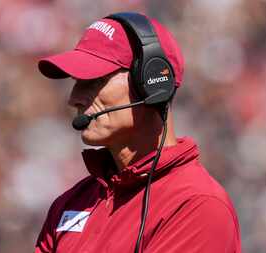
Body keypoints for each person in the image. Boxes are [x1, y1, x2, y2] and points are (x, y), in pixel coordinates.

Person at [35, 12, 242, 253]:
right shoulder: (70, 202)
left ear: (151, 83)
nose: (74, 98)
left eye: (94, 80)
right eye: (76, 81)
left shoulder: (198, 206)